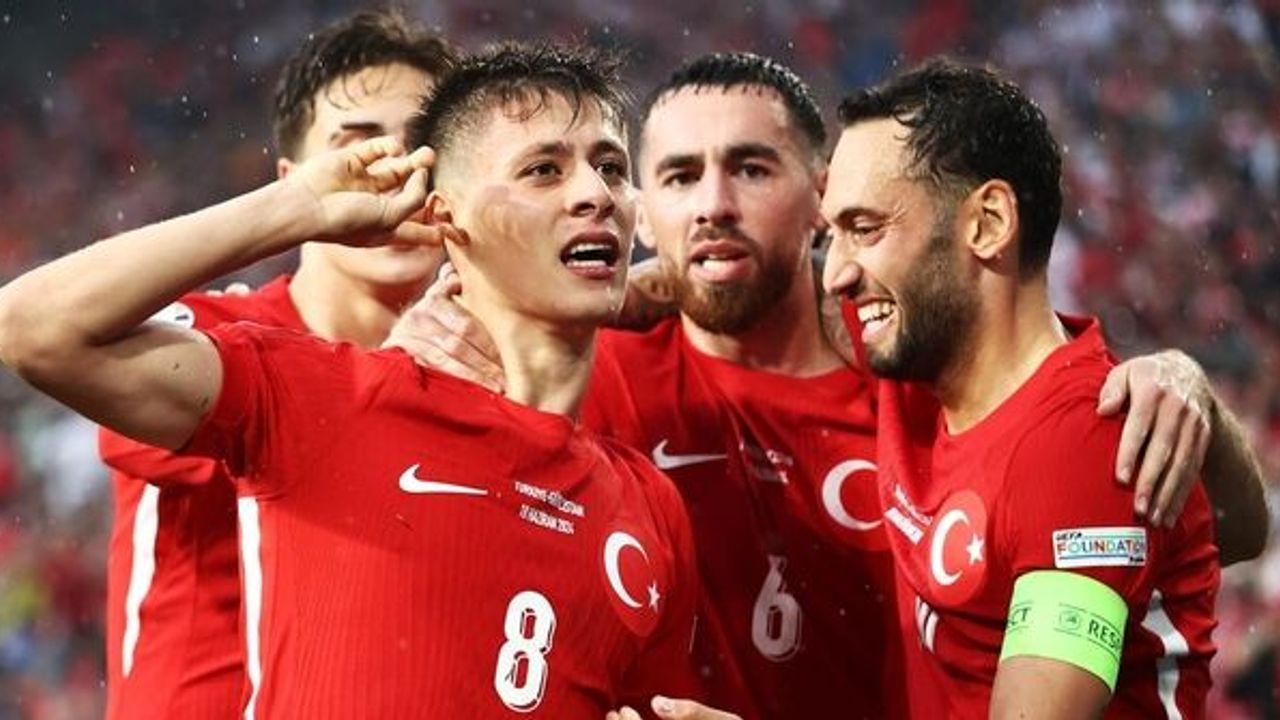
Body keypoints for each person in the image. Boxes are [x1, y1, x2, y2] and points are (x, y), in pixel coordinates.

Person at [390, 52, 1268, 720]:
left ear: (816, 198)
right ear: (645, 210)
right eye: (680, 177)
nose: (714, 205)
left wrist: (1185, 388)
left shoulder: (912, 372)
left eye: (751, 169)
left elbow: (1210, 526)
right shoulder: (588, 371)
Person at [0, 42, 700, 719]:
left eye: (612, 168)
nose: (595, 193)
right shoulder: (316, 392)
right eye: (543, 170)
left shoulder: (649, 505)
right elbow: (32, 329)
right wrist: (296, 210)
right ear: (445, 212)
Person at [821, 58, 1260, 717]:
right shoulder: (915, 356)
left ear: (988, 222)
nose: (835, 273)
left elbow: (1237, 535)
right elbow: (1236, 532)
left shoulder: (1078, 453)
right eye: (830, 233)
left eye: (865, 229)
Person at [97, 11, 457, 719]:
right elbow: (43, 335)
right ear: (297, 182)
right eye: (358, 147)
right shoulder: (212, 338)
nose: (395, 171)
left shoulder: (481, 380)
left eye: (425, 145)